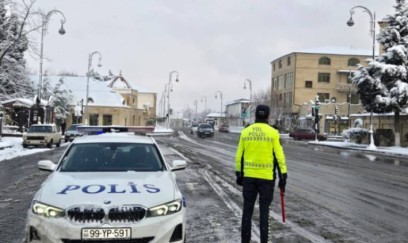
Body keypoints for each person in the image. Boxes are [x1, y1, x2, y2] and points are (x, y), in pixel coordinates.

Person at [235, 104, 287, 243]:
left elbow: (239, 155)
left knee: (247, 211)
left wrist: (239, 173)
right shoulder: (273, 133)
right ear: (268, 116)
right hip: (266, 179)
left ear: (256, 115)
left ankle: (245, 241)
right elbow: (279, 156)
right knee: (265, 212)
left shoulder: (246, 132)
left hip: (249, 178)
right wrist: (283, 175)